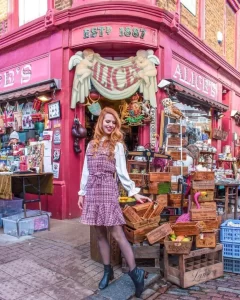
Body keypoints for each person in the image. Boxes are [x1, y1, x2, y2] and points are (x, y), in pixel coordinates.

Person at [78, 107, 151, 298]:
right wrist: (81, 192)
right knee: (100, 234)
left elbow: (122, 172)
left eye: (113, 122)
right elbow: (86, 170)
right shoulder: (91, 145)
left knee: (118, 234)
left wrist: (134, 192)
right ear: (101, 122)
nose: (110, 125)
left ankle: (136, 274)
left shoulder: (117, 145)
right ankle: (107, 270)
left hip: (108, 191)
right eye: (107, 121)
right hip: (93, 191)